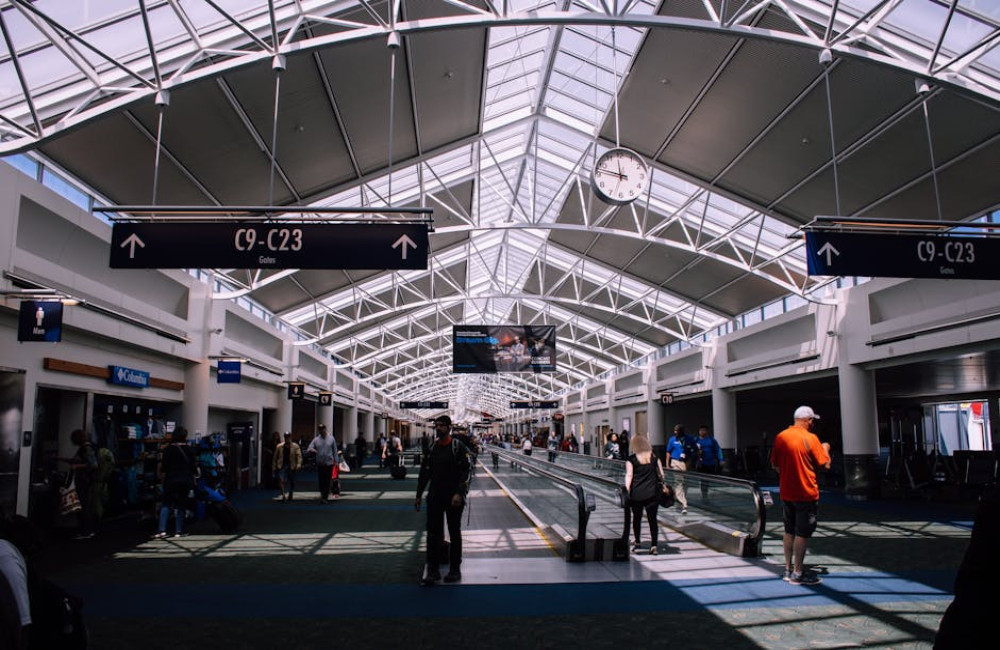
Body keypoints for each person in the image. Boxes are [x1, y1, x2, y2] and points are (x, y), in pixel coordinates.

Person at [769, 406, 831, 586]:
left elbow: (775, 465)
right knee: (802, 533)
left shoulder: (781, 436)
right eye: (812, 420)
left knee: (789, 531)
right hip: (805, 493)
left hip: (787, 493)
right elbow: (825, 464)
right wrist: (825, 448)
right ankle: (798, 573)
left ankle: (788, 569)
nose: (813, 423)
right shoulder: (811, 438)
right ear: (806, 420)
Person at [414, 415, 473, 585]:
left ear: (448, 427)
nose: (438, 428)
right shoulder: (432, 448)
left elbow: (466, 472)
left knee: (454, 532)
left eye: (441, 426)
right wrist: (418, 495)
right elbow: (424, 473)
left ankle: (455, 569)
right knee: (433, 533)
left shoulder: (458, 447)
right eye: (436, 426)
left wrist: (459, 493)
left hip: (453, 497)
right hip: (435, 496)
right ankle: (433, 570)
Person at [623, 434, 666, 555]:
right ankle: (654, 545)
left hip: (637, 493)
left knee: (636, 518)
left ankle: (637, 541)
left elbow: (629, 476)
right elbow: (662, 475)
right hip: (653, 493)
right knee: (653, 519)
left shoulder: (631, 459)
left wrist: (627, 490)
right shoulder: (654, 458)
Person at [154, 426, 197, 539]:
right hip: (185, 480)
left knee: (166, 504)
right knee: (181, 505)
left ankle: (162, 530)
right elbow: (193, 467)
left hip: (171, 479)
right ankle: (179, 531)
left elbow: (163, 468)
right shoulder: (190, 450)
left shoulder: (168, 449)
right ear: (185, 436)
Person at [58, 429, 98, 540]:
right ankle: (86, 530)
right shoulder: (85, 448)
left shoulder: (86, 449)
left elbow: (93, 464)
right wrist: (63, 459)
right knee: (84, 505)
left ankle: (85, 531)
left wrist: (77, 466)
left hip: (85, 480)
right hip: (86, 480)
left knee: (83, 505)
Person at [306, 424, 338, 503]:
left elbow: (335, 451)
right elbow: (309, 448)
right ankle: (323, 493)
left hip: (329, 463)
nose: (321, 431)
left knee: (327, 480)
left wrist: (336, 462)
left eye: (322, 429)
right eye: (320, 430)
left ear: (325, 429)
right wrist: (312, 450)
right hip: (320, 463)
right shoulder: (316, 439)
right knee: (321, 480)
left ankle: (325, 497)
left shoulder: (331, 439)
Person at [665, 425, 692, 514]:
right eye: (674, 431)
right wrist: (667, 464)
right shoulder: (672, 440)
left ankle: (677, 497)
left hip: (685, 463)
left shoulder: (688, 439)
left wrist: (690, 461)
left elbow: (694, 450)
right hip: (675, 462)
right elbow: (668, 452)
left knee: (684, 483)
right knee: (679, 481)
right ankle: (684, 504)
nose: (675, 432)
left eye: (677, 431)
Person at [696, 425, 724, 499]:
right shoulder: (696, 440)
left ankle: (709, 493)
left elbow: (718, 450)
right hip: (701, 464)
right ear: (699, 432)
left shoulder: (712, 440)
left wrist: (721, 459)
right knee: (703, 479)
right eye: (701, 430)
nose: (702, 432)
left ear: (707, 431)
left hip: (711, 463)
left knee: (709, 479)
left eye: (704, 430)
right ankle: (704, 494)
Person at [272, 432, 302, 502]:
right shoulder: (279, 446)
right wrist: (274, 467)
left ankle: (290, 492)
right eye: (286, 437)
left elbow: (299, 456)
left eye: (288, 437)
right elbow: (275, 457)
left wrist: (298, 464)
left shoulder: (295, 446)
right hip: (282, 465)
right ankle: (283, 495)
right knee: (281, 479)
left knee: (292, 481)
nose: (287, 438)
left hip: (292, 465)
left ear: (290, 437)